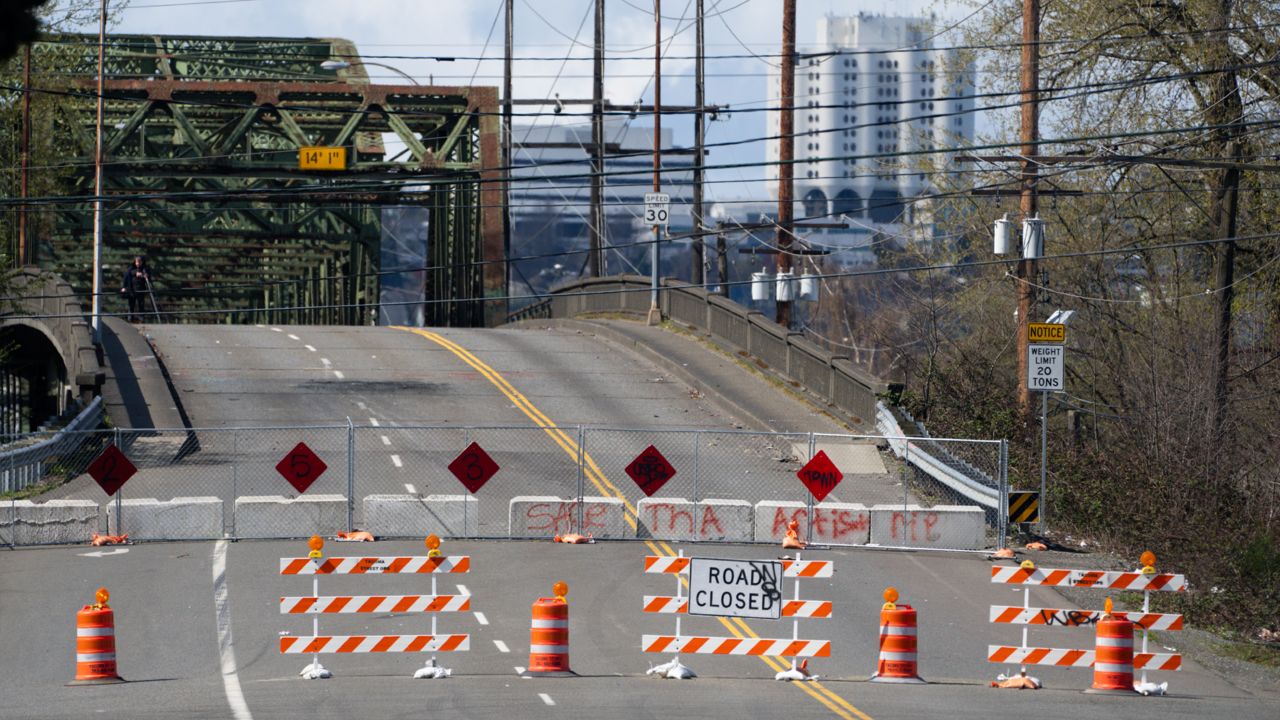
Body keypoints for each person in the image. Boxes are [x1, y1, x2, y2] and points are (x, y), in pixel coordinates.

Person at [120, 255, 152, 322]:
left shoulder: (145, 269)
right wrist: (124, 287)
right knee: (131, 305)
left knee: (141, 305)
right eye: (136, 262)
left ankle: (141, 319)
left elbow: (149, 277)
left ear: (142, 262)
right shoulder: (131, 269)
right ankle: (130, 319)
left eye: (139, 262)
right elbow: (126, 278)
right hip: (132, 290)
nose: (137, 264)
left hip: (141, 290)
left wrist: (145, 275)